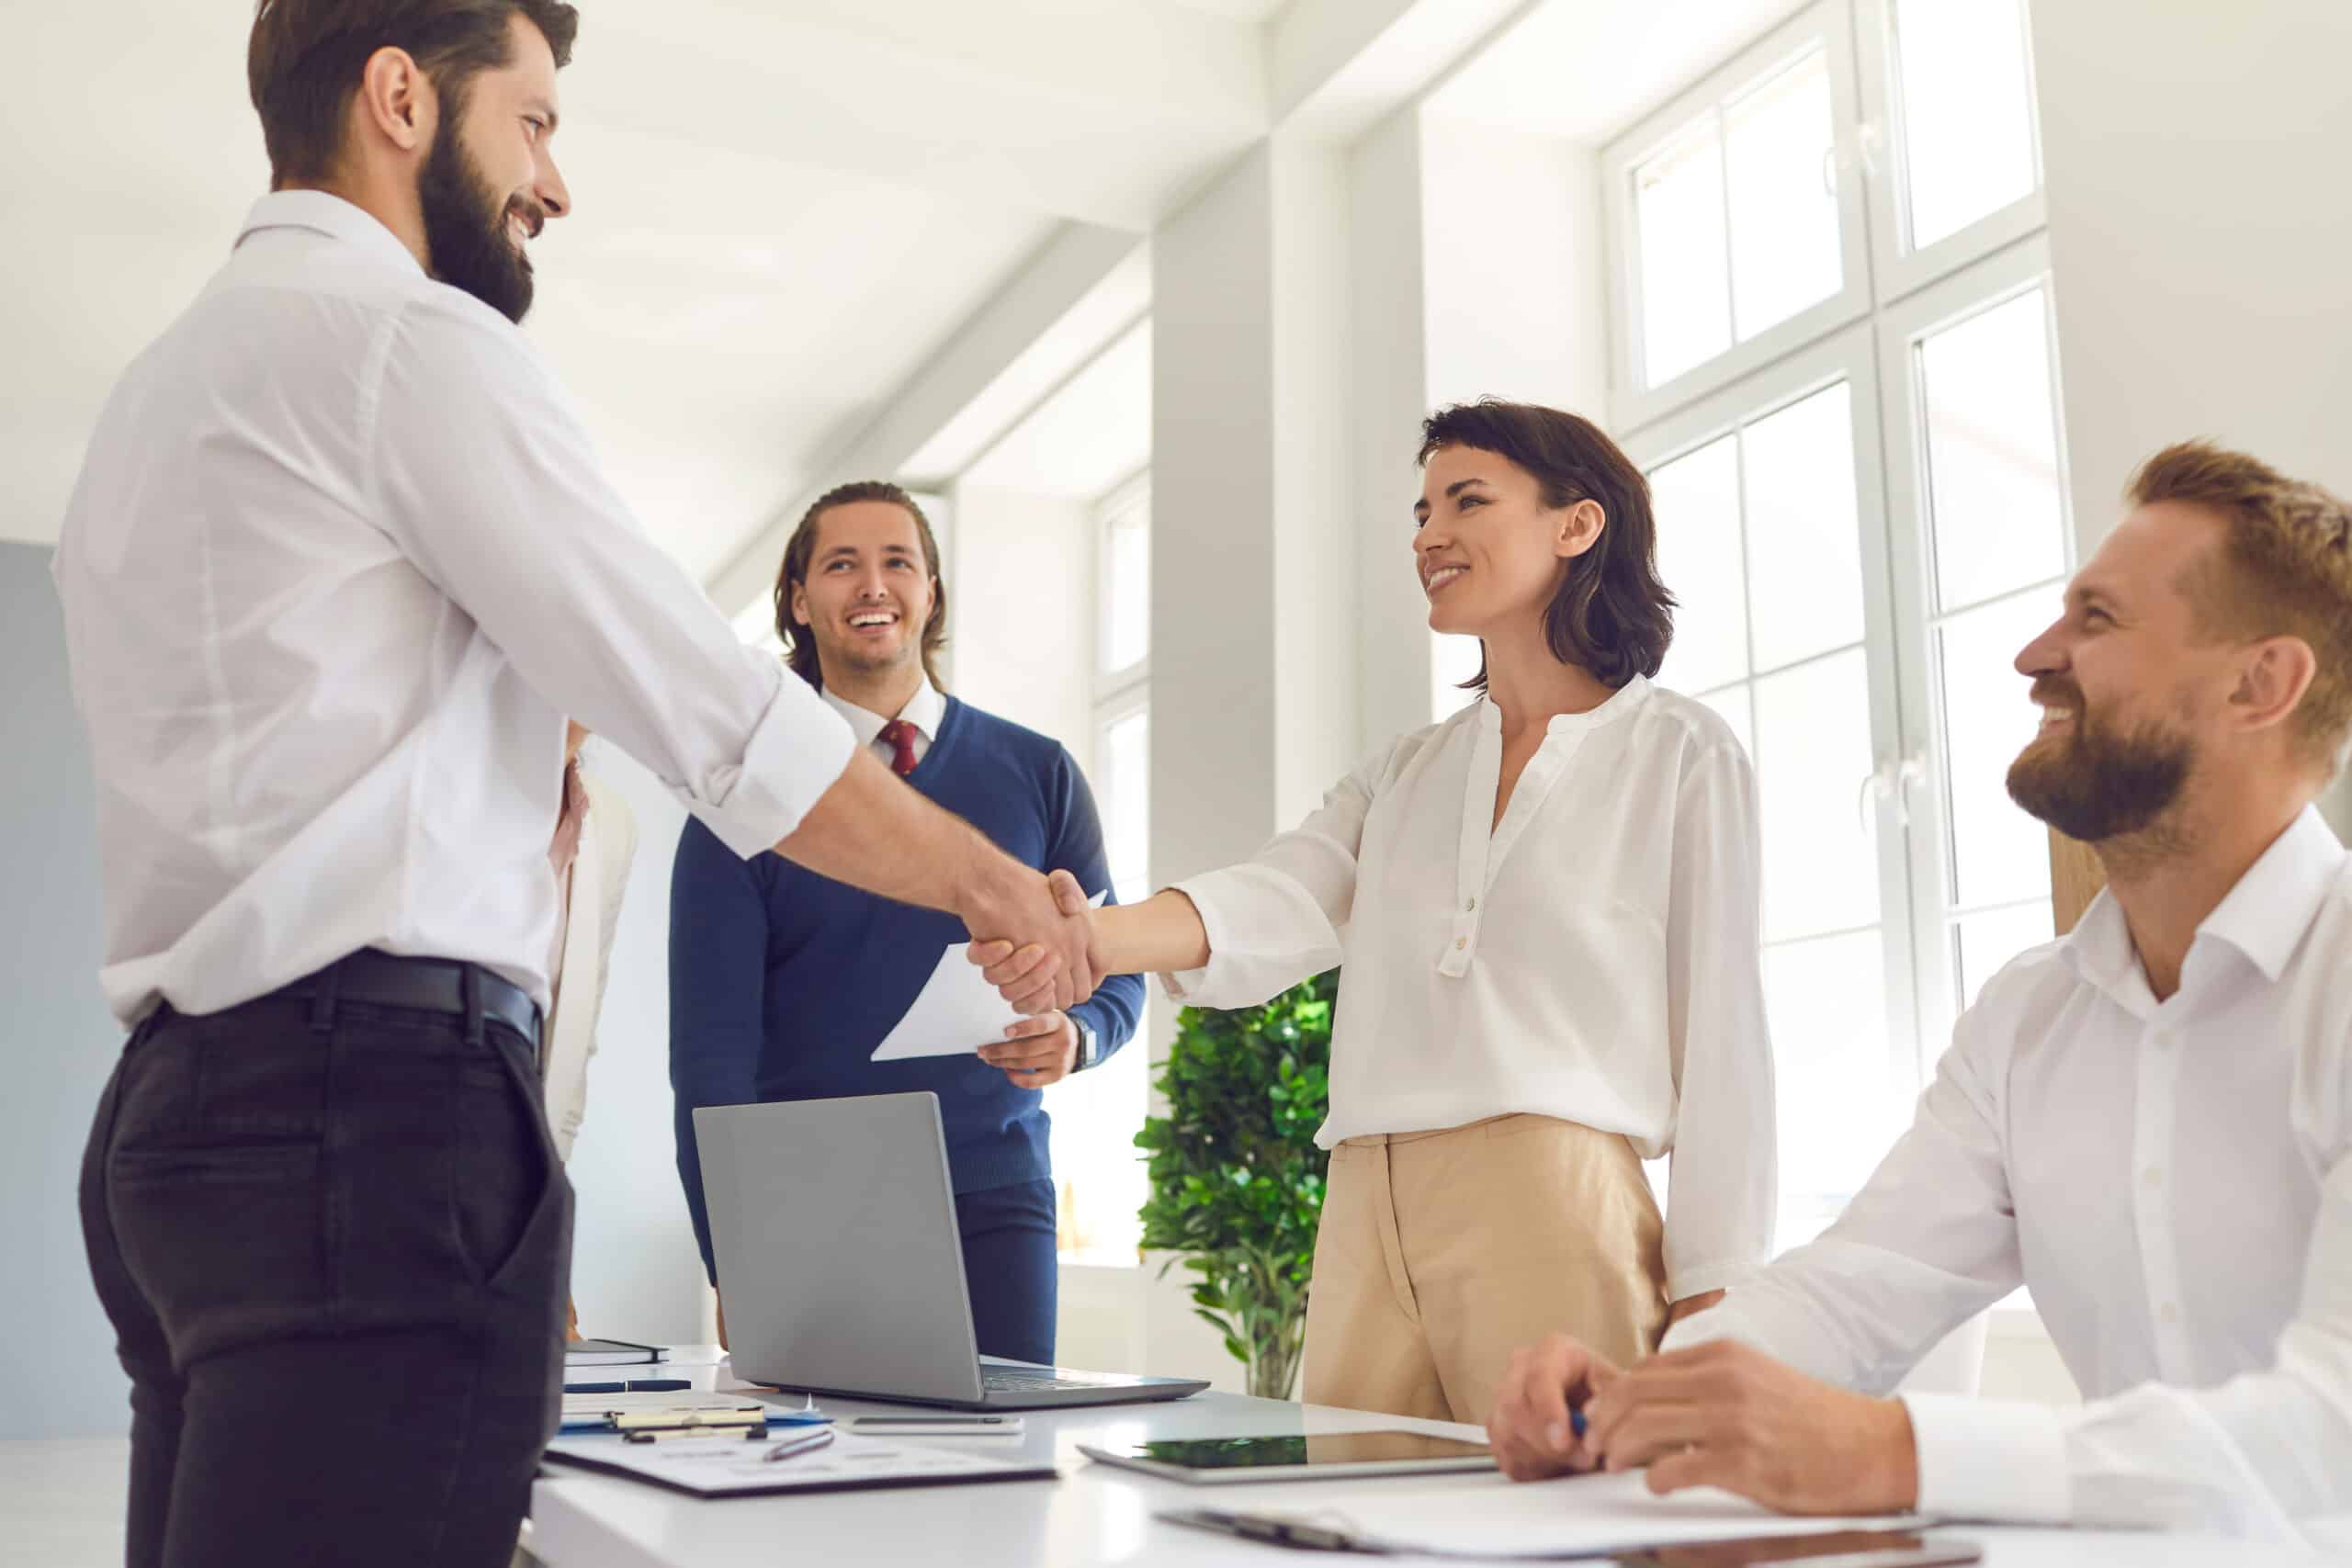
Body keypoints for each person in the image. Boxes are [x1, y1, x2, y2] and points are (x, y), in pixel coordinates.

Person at [55, 6, 1091, 1565]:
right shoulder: (409, 341)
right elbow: (717, 708)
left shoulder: (157, 393)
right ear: (401, 98)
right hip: (369, 1125)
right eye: (532, 122)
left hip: (173, 1123)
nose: (555, 182)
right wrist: (992, 884)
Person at [1485, 441, 2352, 1541]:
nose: (2035, 656)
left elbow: (2335, 1427)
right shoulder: (2028, 1016)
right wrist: (1638, 1399)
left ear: (2259, 684)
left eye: (2097, 619)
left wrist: (1896, 1450)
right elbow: (1860, 1282)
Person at [986, 400, 1777, 1427]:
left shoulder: (1680, 751)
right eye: (1420, 511)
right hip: (1362, 1199)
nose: (1426, 535)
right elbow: (1282, 893)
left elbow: (1724, 1030)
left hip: (1551, 1197)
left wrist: (1716, 1285)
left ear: (1576, 524)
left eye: (1466, 501)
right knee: (1358, 1519)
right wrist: (1084, 937)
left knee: (1577, 1526)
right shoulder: (1411, 768)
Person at [671, 482, 1145, 1366]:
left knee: (1001, 1471)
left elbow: (1117, 967)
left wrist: (1077, 1038)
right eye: (841, 564)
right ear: (800, 602)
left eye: (898, 562)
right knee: (821, 1490)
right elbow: (709, 1059)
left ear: (931, 593)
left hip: (998, 1193)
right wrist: (732, 1254)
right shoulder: (744, 797)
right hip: (811, 1201)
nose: (872, 584)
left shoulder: (1039, 773)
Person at [544, 723, 639, 1340]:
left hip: (506, 1207)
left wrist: (542, 1241)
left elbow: (567, 1064)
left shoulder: (610, 822)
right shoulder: (433, 781)